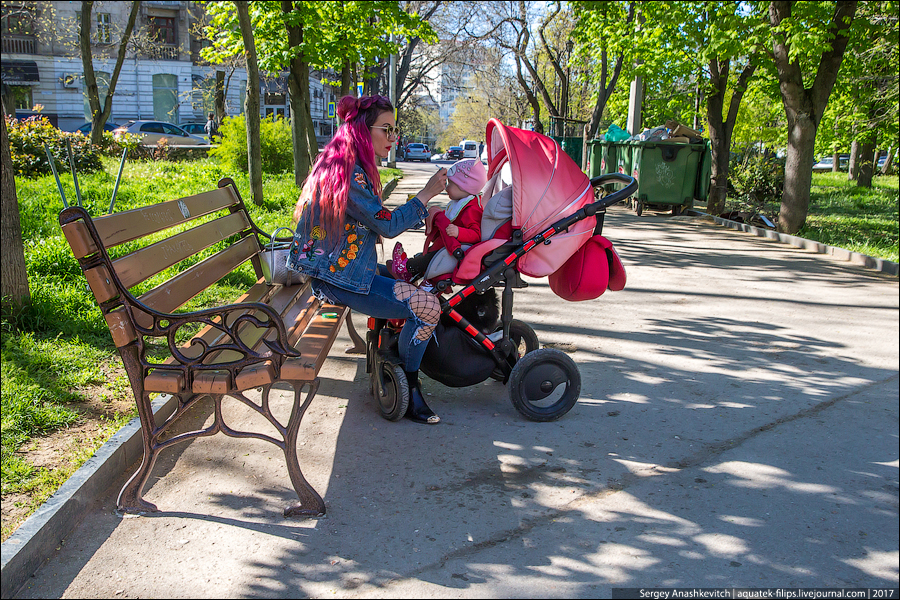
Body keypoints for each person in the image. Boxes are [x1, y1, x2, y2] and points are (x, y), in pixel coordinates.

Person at [287, 95, 448, 424]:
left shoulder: (342, 166)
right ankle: (408, 381)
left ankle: (392, 359)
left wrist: (425, 211)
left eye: (395, 130)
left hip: (339, 270)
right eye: (386, 130)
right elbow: (387, 225)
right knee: (429, 308)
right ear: (363, 130)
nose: (394, 138)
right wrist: (427, 193)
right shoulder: (352, 175)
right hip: (339, 279)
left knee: (410, 283)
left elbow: (373, 219)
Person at [390, 157, 487, 282]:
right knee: (429, 257)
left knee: (430, 259)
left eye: (451, 184)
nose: (447, 188)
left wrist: (459, 232)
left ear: (464, 187)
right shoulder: (460, 203)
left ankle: (406, 267)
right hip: (444, 246)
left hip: (453, 250)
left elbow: (477, 234)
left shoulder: (472, 208)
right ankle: (412, 270)